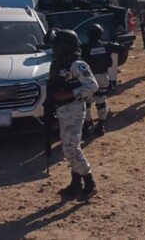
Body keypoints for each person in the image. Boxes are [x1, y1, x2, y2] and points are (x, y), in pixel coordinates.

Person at [44, 28, 99, 200]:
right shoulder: (60, 63)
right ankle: (76, 183)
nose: (55, 49)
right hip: (62, 111)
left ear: (65, 46)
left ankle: (90, 183)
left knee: (70, 149)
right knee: (69, 147)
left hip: (74, 109)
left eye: (57, 45)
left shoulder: (77, 64)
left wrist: (69, 94)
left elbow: (92, 86)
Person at [81, 24, 126, 138]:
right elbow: (122, 48)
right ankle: (101, 127)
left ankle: (86, 128)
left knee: (86, 103)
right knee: (100, 102)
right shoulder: (106, 46)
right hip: (103, 77)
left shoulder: (84, 48)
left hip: (89, 78)